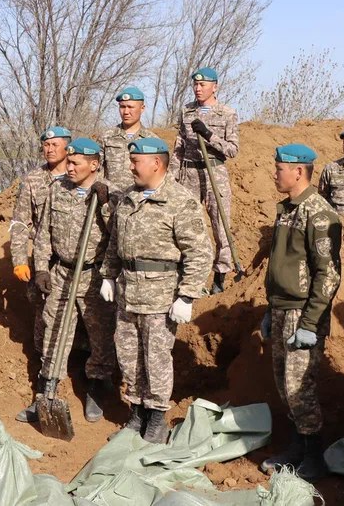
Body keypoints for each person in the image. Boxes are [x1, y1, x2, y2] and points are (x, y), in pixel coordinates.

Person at [100, 137, 213, 443]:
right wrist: (108, 276)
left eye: (135, 162)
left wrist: (187, 295)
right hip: (128, 293)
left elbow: (200, 253)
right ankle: (136, 414)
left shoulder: (179, 201)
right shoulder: (126, 199)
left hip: (161, 296)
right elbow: (114, 243)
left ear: (157, 164)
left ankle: (157, 420)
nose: (130, 166)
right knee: (128, 355)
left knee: (156, 358)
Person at [16, 138, 116, 423]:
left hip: (93, 275)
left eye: (75, 163)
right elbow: (44, 232)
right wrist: (42, 269)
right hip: (62, 273)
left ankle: (96, 385)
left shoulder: (109, 193)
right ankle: (46, 392)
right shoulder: (57, 190)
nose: (68, 167)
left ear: (94, 164)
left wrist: (106, 204)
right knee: (54, 330)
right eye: (68, 162)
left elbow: (117, 237)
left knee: (100, 334)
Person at [259, 144, 342, 480]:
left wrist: (310, 322)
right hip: (281, 309)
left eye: (279, 168)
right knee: (284, 385)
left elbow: (329, 273)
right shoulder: (288, 210)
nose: (275, 173)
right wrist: (270, 308)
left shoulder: (318, 213)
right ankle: (296, 448)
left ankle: (314, 457)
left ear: (298, 171)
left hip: (301, 315)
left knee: (299, 387)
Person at [170, 67, 239, 294]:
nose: (198, 89)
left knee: (220, 227)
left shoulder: (226, 113)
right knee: (187, 226)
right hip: (188, 174)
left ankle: (220, 278)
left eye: (203, 85)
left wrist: (209, 135)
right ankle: (189, 277)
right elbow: (179, 146)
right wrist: (171, 176)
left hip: (214, 175)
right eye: (195, 85)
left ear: (215, 87)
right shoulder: (187, 112)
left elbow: (232, 150)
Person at [9, 126, 71, 368]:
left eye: (55, 145)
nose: (49, 149)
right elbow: (20, 223)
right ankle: (41, 363)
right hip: (45, 259)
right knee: (43, 311)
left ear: (67, 147)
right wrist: (20, 259)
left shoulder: (79, 176)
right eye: (46, 145)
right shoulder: (33, 180)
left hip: (74, 258)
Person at [100, 87, 158, 192]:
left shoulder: (152, 140)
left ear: (142, 108)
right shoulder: (106, 137)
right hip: (110, 201)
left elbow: (158, 175)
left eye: (131, 107)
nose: (126, 112)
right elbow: (96, 170)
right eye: (122, 107)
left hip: (138, 202)